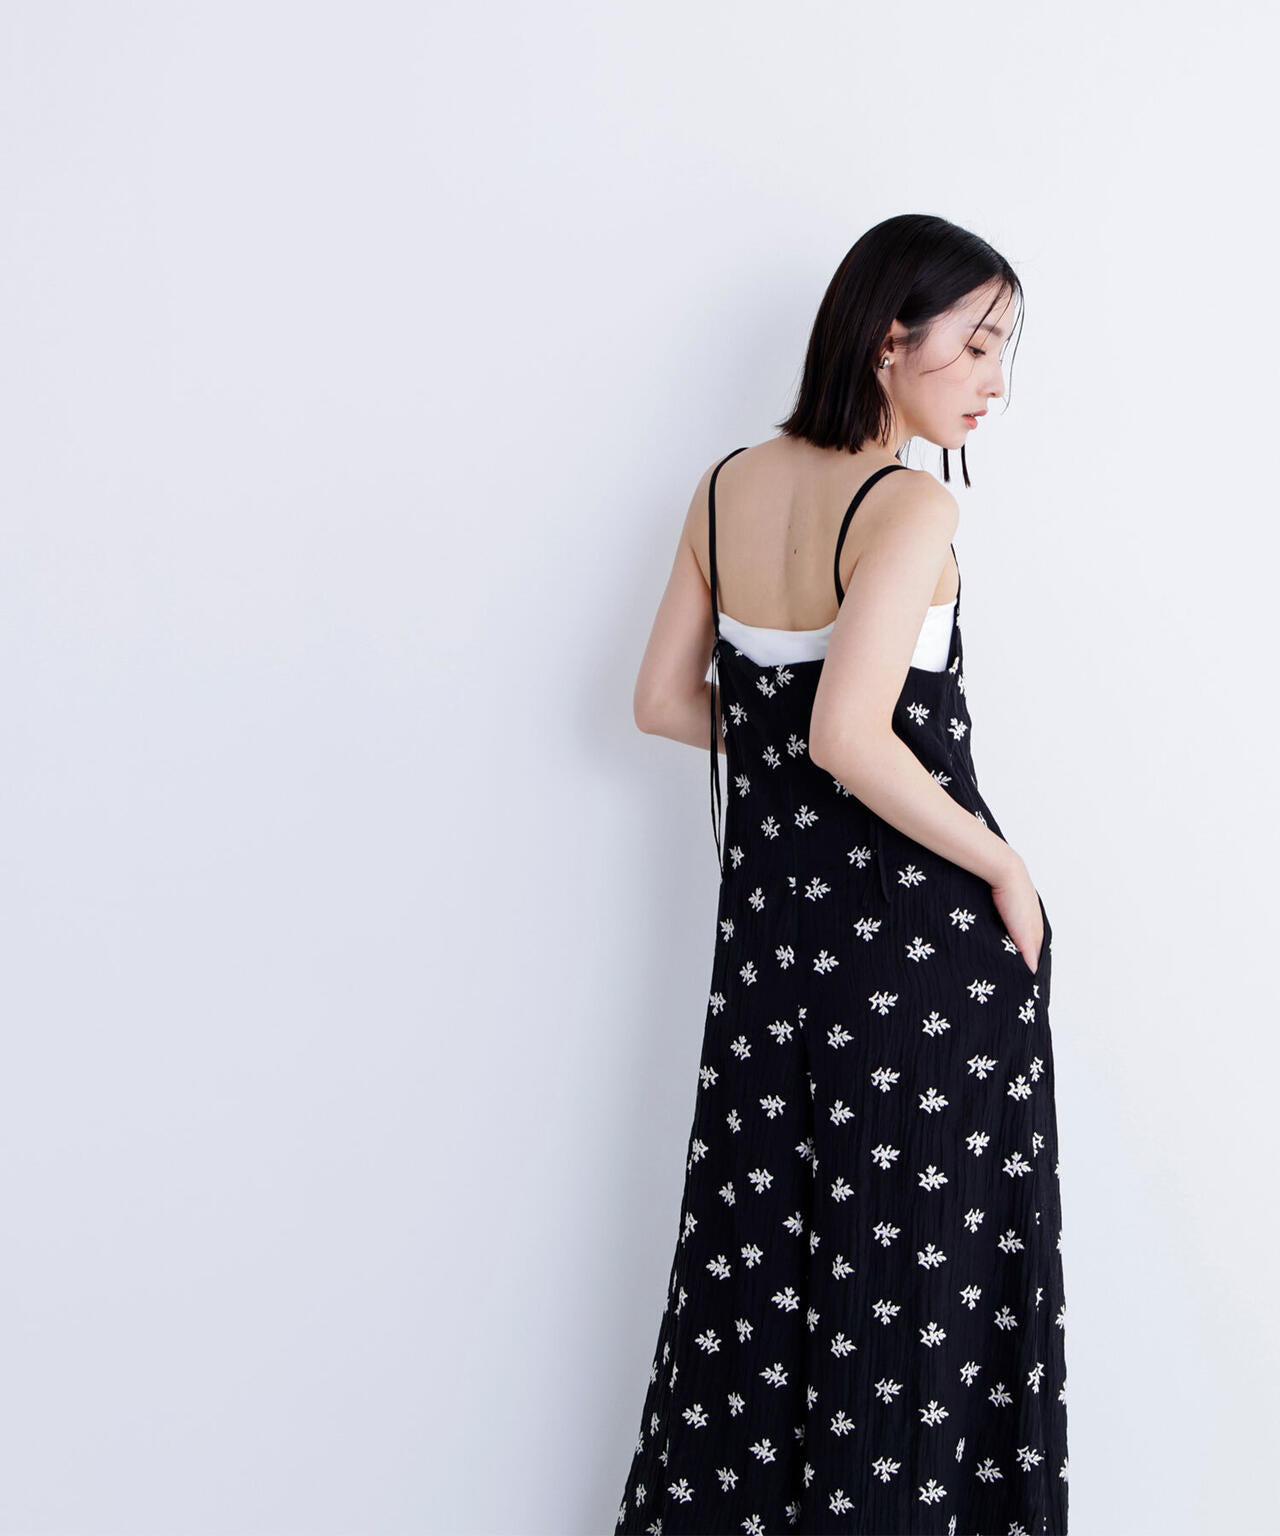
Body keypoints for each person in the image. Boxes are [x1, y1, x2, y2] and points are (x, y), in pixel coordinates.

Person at [618, 213, 1068, 1535]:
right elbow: (849, 735)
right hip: (919, 966)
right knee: (920, 1297)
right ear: (888, 340)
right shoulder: (910, 503)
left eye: (1004, 351)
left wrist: (782, 745)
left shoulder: (724, 488)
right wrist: (1006, 866)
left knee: (764, 1282)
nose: (993, 380)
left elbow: (664, 702)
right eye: (974, 346)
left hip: (773, 964)